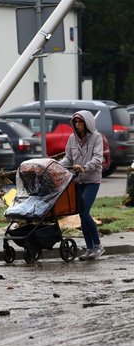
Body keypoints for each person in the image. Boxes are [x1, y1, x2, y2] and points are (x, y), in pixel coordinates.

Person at [60, 110, 104, 260]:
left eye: (80, 122)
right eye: (76, 122)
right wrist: (58, 166)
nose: (77, 125)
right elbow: (68, 158)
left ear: (87, 123)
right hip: (78, 180)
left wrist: (84, 167)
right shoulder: (72, 138)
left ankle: (98, 246)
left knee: (84, 211)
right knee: (81, 213)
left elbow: (98, 159)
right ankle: (89, 248)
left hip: (92, 179)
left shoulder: (97, 138)